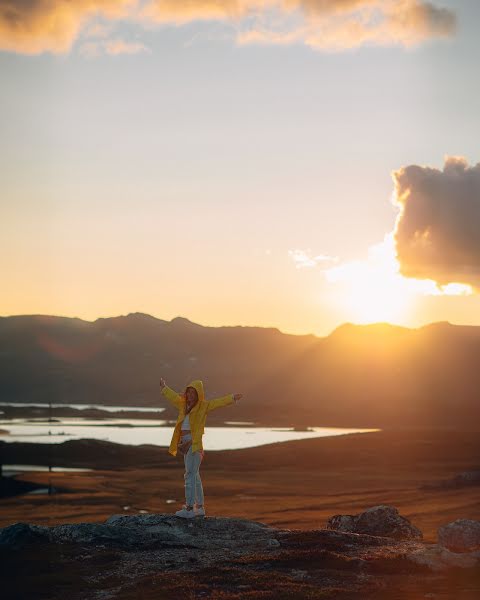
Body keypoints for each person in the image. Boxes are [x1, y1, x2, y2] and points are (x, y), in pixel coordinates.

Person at [159, 377, 242, 518]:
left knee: (189, 475)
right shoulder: (183, 404)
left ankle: (190, 509)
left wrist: (232, 398)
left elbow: (218, 402)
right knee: (195, 475)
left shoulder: (203, 406)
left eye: (193, 393)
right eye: (189, 392)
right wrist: (164, 388)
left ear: (198, 394)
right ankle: (200, 508)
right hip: (185, 443)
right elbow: (173, 397)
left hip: (194, 444)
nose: (190, 395)